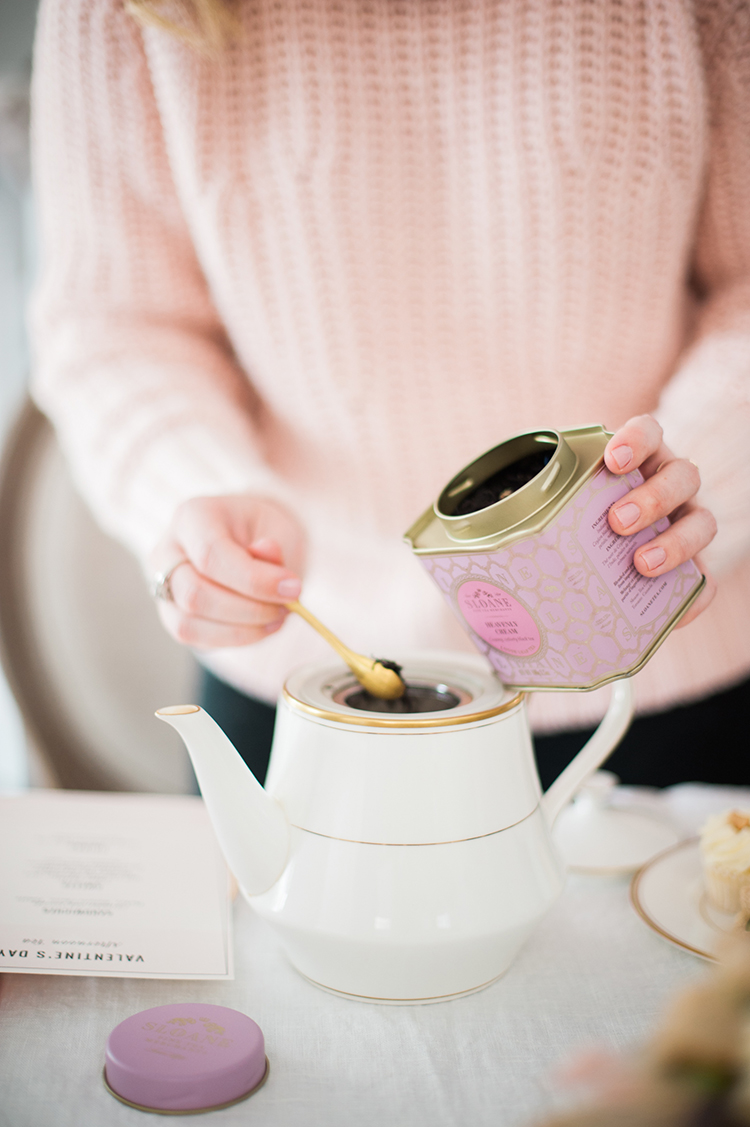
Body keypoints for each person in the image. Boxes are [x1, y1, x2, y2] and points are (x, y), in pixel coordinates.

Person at [29, 0, 749, 788]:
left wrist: (683, 488)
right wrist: (202, 495)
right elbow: (113, 322)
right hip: (304, 683)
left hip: (661, 676)